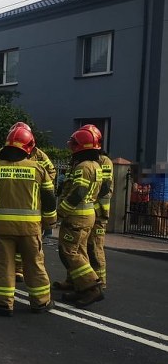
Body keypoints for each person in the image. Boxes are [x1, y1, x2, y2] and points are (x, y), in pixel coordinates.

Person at [0, 125, 57, 316]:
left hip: (1, 229)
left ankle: (2, 304)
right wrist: (50, 224)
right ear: (29, 147)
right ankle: (41, 303)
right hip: (31, 229)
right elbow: (50, 200)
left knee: (3, 266)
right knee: (34, 265)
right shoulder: (38, 169)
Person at [54, 128, 105, 307]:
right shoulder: (95, 165)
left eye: (74, 144)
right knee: (80, 251)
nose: (71, 148)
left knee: (69, 252)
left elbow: (78, 194)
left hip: (77, 217)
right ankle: (81, 288)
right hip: (86, 215)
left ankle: (92, 287)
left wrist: (59, 213)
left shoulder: (83, 167)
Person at [82, 124, 112, 290]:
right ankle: (76, 280)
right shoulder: (85, 161)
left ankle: (99, 282)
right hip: (86, 212)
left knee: (95, 247)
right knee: (80, 248)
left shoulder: (104, 161)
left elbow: (105, 188)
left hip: (99, 213)